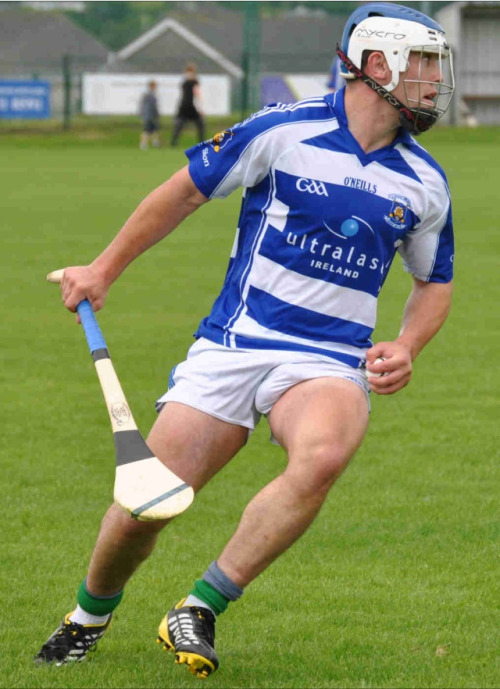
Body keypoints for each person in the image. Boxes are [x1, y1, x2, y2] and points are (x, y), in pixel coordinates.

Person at [35, 2, 455, 678]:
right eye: (426, 63)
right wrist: (103, 269)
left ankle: (200, 605)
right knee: (143, 511)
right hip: (236, 343)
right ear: (378, 64)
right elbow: (184, 192)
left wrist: (408, 344)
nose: (435, 81)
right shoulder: (281, 131)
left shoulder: (426, 180)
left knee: (324, 454)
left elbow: (434, 282)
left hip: (328, 359)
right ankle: (89, 614)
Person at [171, 62, 205, 146]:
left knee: (180, 125)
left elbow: (190, 94)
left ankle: (174, 142)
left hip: (187, 105)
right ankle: (201, 142)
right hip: (188, 106)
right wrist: (200, 108)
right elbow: (196, 94)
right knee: (198, 124)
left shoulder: (187, 82)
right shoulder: (191, 82)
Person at [139, 80, 160, 149]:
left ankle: (155, 142)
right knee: (146, 130)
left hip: (152, 116)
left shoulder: (153, 94)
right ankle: (143, 143)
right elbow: (145, 106)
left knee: (155, 130)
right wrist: (143, 115)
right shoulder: (148, 95)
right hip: (149, 116)